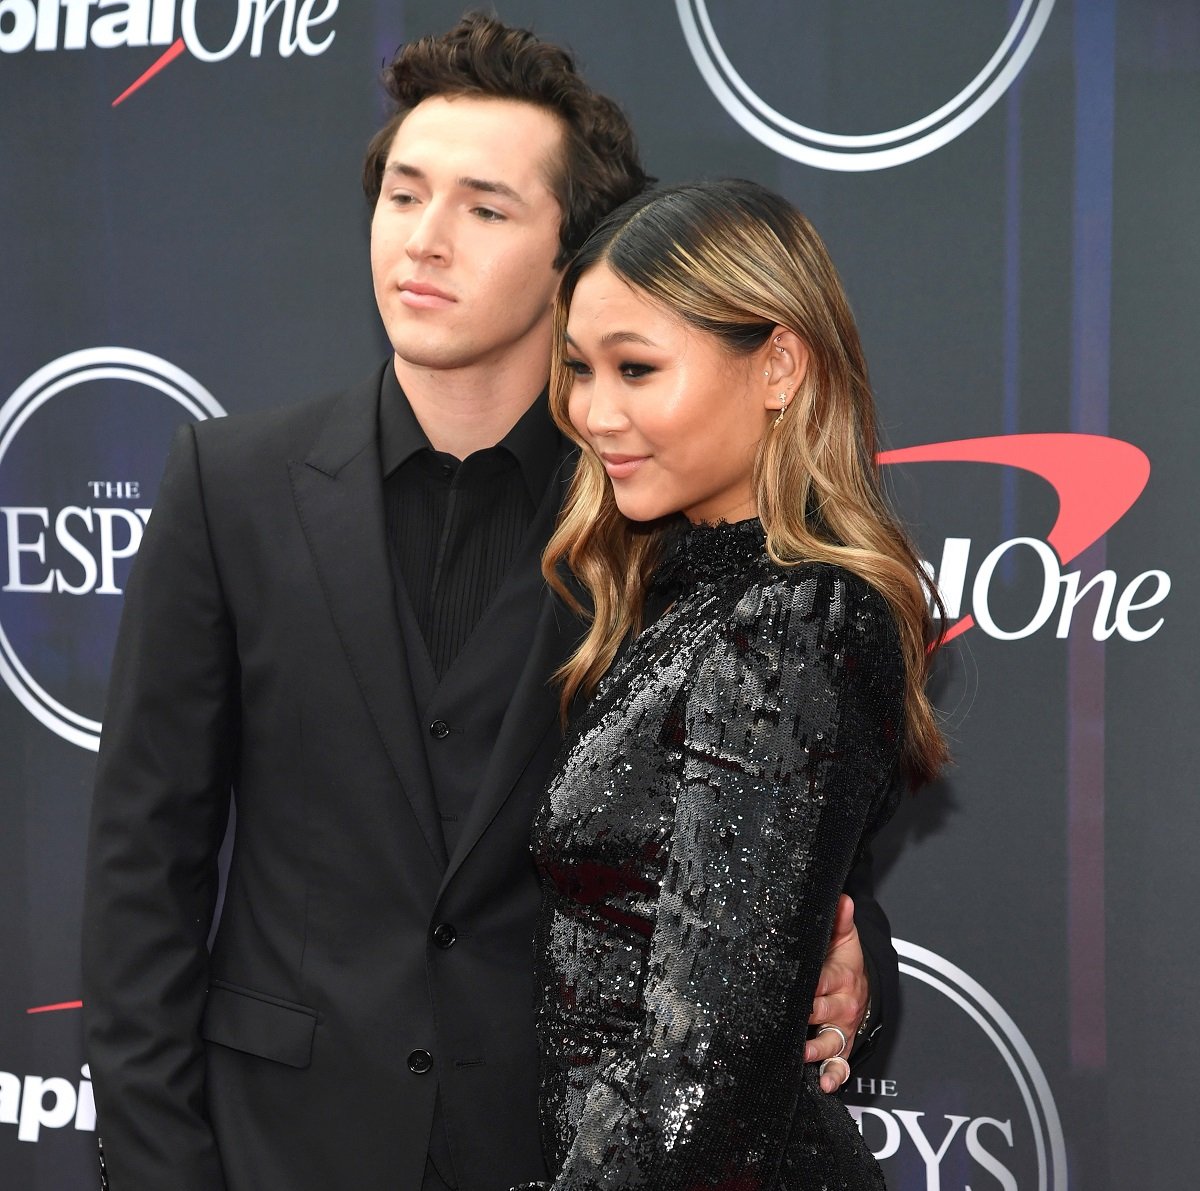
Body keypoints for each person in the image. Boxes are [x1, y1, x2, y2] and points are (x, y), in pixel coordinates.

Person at [81, 17, 898, 1191]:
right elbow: (141, 866)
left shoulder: (662, 509)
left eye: (484, 208)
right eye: (404, 194)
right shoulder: (230, 487)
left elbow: (763, 830)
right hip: (280, 1146)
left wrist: (850, 940)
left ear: (576, 259)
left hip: (565, 1147)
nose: (425, 240)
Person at [518, 179, 948, 1189]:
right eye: (580, 369)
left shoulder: (798, 621)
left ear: (780, 366)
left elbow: (700, 1085)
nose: (592, 411)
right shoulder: (676, 593)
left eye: (637, 368)